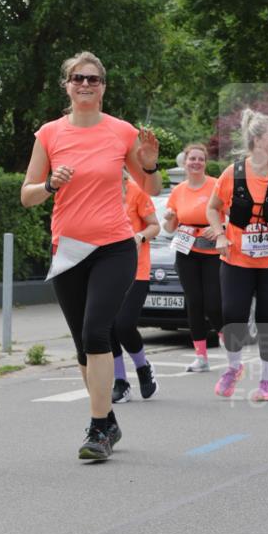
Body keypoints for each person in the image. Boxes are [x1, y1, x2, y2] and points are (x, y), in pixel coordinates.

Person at [21, 52, 162, 461]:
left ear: (103, 87)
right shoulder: (49, 134)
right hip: (68, 249)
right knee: (83, 347)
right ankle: (109, 418)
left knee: (97, 333)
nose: (86, 84)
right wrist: (49, 183)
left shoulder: (121, 132)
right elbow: (27, 195)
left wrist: (150, 166)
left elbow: (149, 190)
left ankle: (98, 428)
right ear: (66, 84)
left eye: (94, 79)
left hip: (114, 247)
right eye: (78, 78)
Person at [206, 109, 268, 402]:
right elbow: (213, 208)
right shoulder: (232, 174)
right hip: (237, 258)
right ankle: (234, 368)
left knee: (267, 319)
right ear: (257, 139)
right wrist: (221, 234)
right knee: (232, 315)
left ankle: (266, 382)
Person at [163, 142, 224, 372]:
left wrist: (221, 227)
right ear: (185, 162)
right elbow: (170, 228)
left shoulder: (217, 186)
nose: (196, 163)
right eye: (192, 159)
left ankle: (229, 346)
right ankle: (201, 357)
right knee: (193, 302)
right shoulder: (178, 191)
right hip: (186, 249)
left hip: (211, 250)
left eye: (200, 159)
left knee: (213, 303)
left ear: (205, 163)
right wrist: (169, 217)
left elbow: (232, 215)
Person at [111, 172, 161, 403]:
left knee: (124, 324)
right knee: (107, 326)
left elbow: (154, 226)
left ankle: (142, 366)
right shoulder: (97, 190)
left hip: (136, 270)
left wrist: (139, 236)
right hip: (105, 270)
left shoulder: (136, 190)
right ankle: (120, 381)